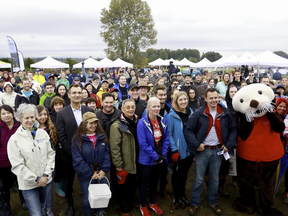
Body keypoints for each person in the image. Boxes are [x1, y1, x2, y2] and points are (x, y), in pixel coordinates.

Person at [184, 88, 237, 215]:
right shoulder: (199, 113)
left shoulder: (225, 112)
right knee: (198, 178)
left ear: (219, 98)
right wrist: (197, 144)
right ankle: (195, 203)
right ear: (206, 99)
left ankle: (213, 201)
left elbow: (234, 130)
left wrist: (228, 145)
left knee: (215, 179)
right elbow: (188, 130)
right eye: (211, 98)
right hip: (203, 150)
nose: (214, 100)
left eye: (216, 97)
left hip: (218, 150)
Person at [7, 103, 55, 216]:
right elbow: (17, 165)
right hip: (28, 184)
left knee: (43, 208)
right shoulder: (14, 139)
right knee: (36, 213)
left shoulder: (42, 133)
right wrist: (36, 178)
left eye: (32, 117)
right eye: (26, 118)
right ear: (20, 119)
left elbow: (50, 154)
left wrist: (46, 175)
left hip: (46, 180)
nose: (30, 120)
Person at [56, 84, 93, 216]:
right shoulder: (61, 113)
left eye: (79, 92)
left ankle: (91, 203)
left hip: (88, 154)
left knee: (88, 179)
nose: (77, 95)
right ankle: (70, 205)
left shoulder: (89, 111)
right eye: (74, 93)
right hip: (69, 155)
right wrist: (74, 153)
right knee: (69, 181)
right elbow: (61, 136)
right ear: (69, 95)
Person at [71, 112, 110, 216]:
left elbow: (107, 154)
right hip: (86, 175)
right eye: (90, 123)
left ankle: (98, 211)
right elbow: (77, 159)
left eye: (95, 123)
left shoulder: (102, 136)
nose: (93, 125)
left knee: (100, 194)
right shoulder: (76, 139)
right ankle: (88, 213)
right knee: (87, 196)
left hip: (101, 172)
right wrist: (90, 173)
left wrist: (104, 170)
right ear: (84, 124)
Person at [137, 97, 170, 216]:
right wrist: (155, 156)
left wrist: (163, 154)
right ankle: (143, 205)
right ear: (148, 107)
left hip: (160, 158)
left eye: (158, 106)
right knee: (144, 183)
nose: (157, 108)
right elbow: (143, 143)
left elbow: (166, 139)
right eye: (154, 106)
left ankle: (152, 202)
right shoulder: (142, 123)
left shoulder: (162, 120)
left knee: (155, 182)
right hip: (146, 160)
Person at [110, 99, 139, 216]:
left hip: (136, 160)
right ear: (122, 109)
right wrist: (118, 165)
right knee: (124, 188)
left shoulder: (137, 121)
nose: (131, 109)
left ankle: (131, 202)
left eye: (132, 107)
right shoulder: (116, 125)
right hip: (125, 163)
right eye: (128, 107)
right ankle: (124, 209)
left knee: (133, 184)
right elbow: (115, 148)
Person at [166, 92, 194, 209]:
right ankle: (178, 197)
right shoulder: (171, 115)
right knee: (177, 175)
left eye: (185, 99)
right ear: (176, 101)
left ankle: (182, 195)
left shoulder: (191, 113)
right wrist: (174, 150)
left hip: (189, 150)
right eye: (180, 100)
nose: (183, 102)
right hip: (178, 150)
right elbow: (169, 134)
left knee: (184, 175)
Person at [36, 105, 58, 216]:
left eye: (45, 114)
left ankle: (48, 209)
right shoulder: (32, 130)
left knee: (48, 188)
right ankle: (40, 208)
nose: (43, 117)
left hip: (49, 164)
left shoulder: (51, 128)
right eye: (40, 115)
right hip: (36, 163)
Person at [0, 105, 21, 208]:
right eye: (3, 114)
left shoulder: (19, 125)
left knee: (21, 182)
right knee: (6, 185)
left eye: (8, 113)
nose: (6, 116)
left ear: (12, 114)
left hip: (19, 160)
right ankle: (7, 204)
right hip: (4, 162)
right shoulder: (0, 127)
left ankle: (23, 200)